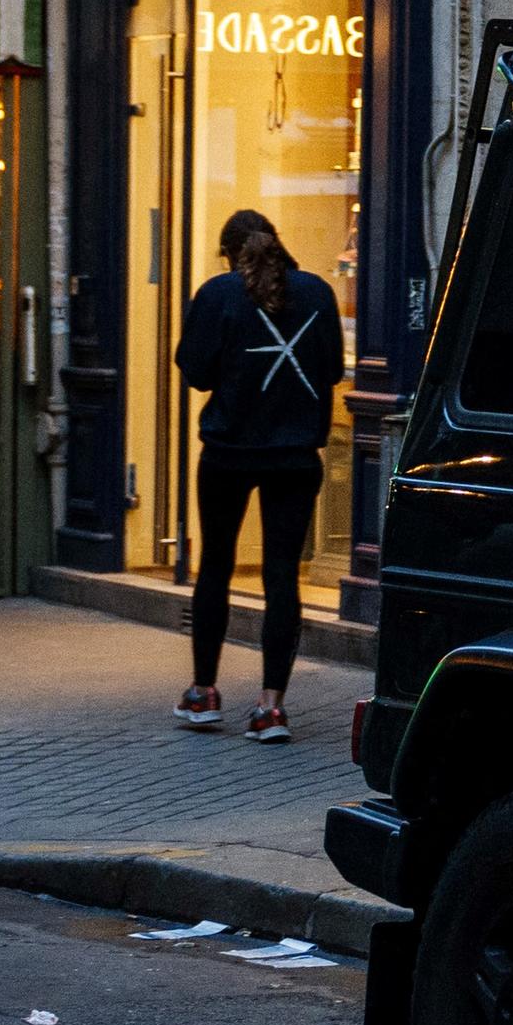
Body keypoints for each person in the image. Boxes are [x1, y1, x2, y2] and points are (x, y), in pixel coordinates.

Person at [173, 211, 341, 741]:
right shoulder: (317, 294)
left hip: (228, 452)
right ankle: (271, 707)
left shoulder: (217, 294)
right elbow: (333, 369)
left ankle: (203, 693)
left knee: (216, 568)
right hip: (295, 457)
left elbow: (196, 372)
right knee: (281, 575)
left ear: (230, 253)